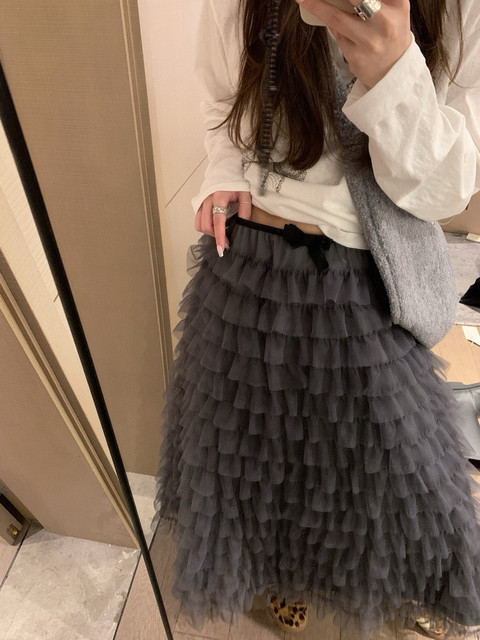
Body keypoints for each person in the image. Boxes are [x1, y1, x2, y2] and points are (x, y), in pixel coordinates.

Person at [152, 0, 480, 638]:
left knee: (395, 466)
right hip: (247, 265)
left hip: (365, 273)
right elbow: (221, 102)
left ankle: (415, 580)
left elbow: (447, 192)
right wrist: (223, 173)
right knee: (258, 456)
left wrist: (392, 71)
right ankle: (282, 574)